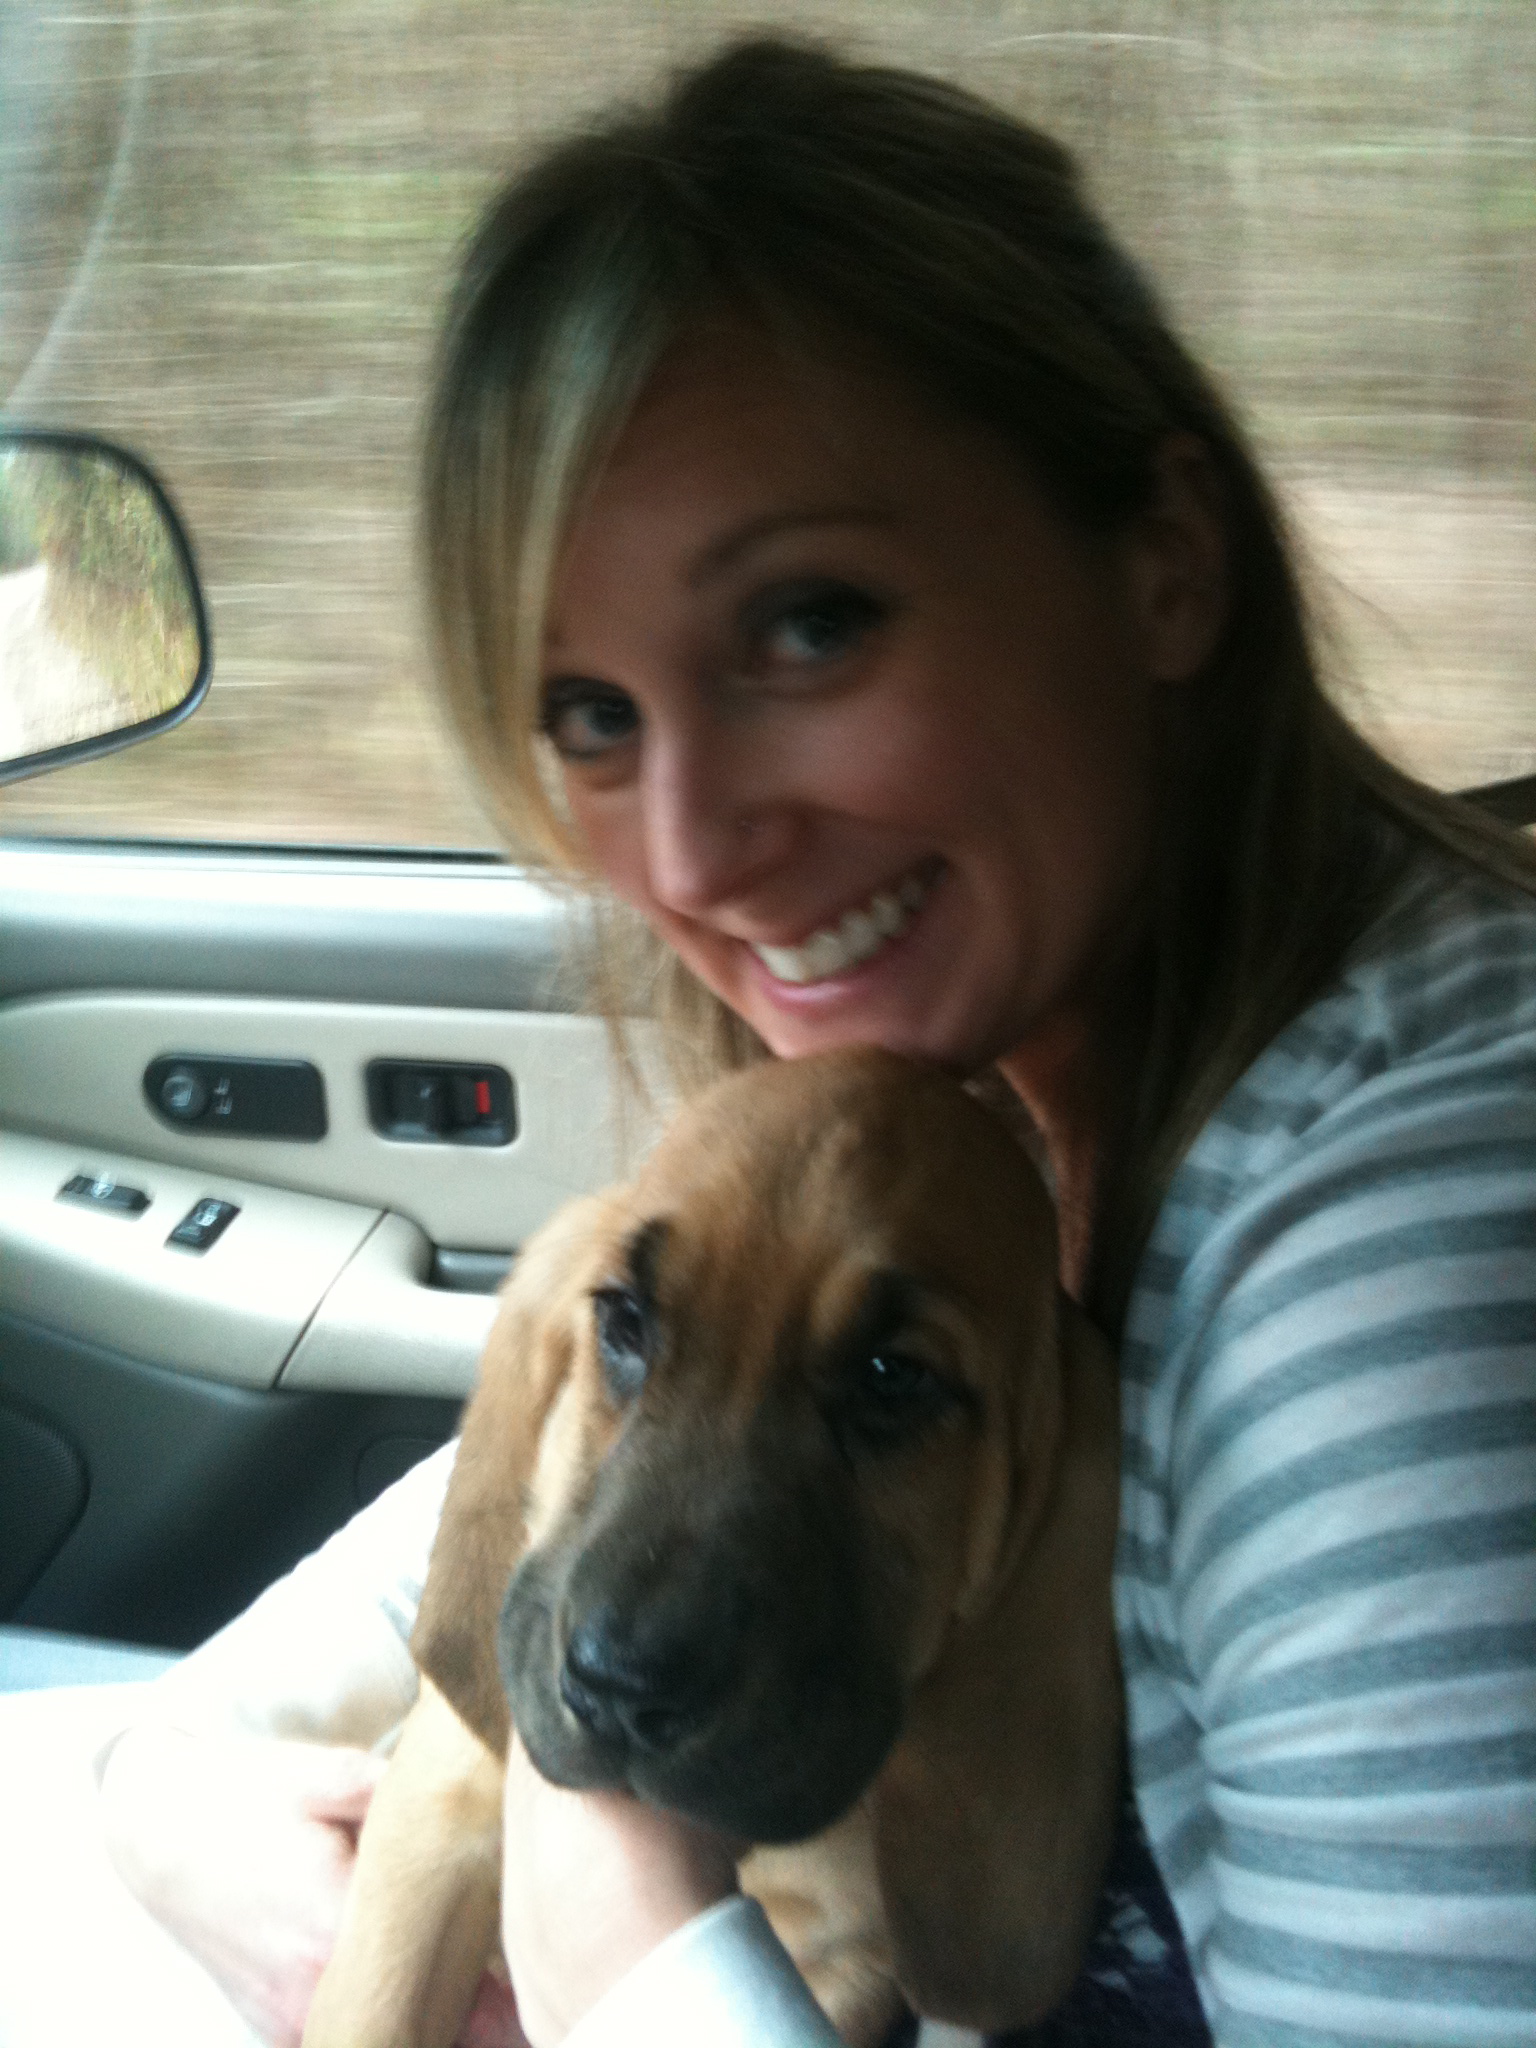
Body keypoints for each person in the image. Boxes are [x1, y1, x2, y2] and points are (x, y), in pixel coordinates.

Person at [92, 35, 1535, 2048]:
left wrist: (612, 1911)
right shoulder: (979, 1098)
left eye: (811, 623)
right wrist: (170, 1787)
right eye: (590, 712)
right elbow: (553, 1487)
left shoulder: (1391, 1271)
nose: (686, 850)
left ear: (1168, 563)